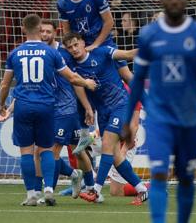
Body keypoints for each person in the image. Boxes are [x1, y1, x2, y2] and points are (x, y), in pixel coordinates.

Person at [123, 0, 196, 223]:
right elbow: (137, 82)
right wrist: (127, 120)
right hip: (159, 118)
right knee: (158, 175)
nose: (174, 1)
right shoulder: (149, 34)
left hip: (189, 118)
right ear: (162, 0)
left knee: (186, 177)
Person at [0, 14, 96, 207]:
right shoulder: (51, 53)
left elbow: (4, 84)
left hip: (24, 105)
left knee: (27, 152)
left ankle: (32, 194)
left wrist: (2, 106)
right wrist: (87, 82)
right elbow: (72, 78)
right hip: (46, 106)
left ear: (23, 29)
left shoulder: (15, 53)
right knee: (45, 151)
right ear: (39, 29)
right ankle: (50, 190)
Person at [61, 32, 148, 205]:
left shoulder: (102, 52)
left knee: (107, 144)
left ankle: (95, 191)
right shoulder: (73, 67)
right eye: (70, 47)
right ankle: (142, 189)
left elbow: (128, 54)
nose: (74, 49)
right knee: (115, 155)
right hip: (103, 111)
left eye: (76, 44)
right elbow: (77, 85)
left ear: (83, 43)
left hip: (121, 105)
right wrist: (87, 107)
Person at [56, 0, 133, 85]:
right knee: (80, 80)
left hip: (104, 42)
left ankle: (148, 102)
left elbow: (109, 22)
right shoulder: (62, 3)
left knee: (126, 75)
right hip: (82, 47)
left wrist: (96, 44)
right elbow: (67, 30)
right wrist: (72, 47)